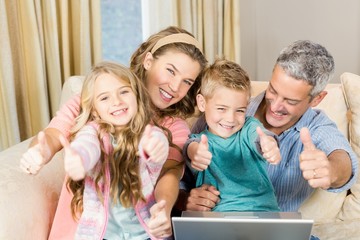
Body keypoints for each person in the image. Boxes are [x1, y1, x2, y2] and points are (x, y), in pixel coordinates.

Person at [19, 26, 207, 239]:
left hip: (140, 230)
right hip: (82, 228)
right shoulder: (96, 98)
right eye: (170, 71)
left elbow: (170, 174)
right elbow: (54, 135)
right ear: (148, 61)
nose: (174, 86)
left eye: (187, 82)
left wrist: (163, 207)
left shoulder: (174, 126)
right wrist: (40, 152)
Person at [179, 40, 358, 214]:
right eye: (272, 90)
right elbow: (183, 174)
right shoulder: (226, 109)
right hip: (222, 221)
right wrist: (186, 199)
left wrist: (331, 171)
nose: (275, 106)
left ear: (317, 99)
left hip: (275, 228)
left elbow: (342, 157)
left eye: (290, 101)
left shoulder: (316, 126)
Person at [61, 61, 170, 239]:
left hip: (145, 233)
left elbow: (154, 142)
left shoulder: (148, 133)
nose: (117, 101)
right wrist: (79, 158)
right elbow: (87, 145)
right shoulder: (93, 132)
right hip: (101, 235)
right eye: (104, 98)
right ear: (95, 111)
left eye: (124, 92)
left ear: (136, 96)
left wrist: (154, 150)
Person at [185, 58, 281, 212]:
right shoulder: (198, 141)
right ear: (202, 103)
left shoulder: (249, 126)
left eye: (240, 110)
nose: (230, 119)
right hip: (219, 217)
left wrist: (268, 144)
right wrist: (197, 153)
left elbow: (260, 137)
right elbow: (191, 148)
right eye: (222, 108)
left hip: (263, 212)